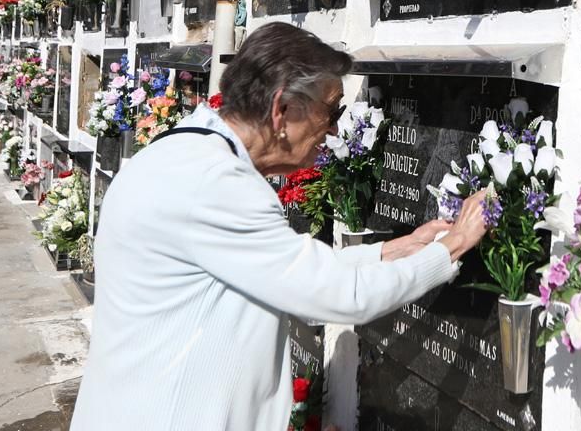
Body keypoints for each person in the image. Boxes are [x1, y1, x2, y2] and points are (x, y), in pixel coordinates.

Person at [70, 22, 487, 431]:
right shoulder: (214, 183)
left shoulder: (186, 155)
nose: (336, 128)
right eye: (332, 109)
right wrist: (453, 246)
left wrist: (396, 249)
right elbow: (341, 296)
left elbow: (282, 270)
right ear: (282, 109)